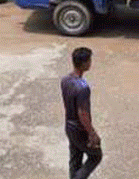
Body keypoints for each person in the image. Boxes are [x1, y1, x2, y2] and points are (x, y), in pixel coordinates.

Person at [61, 47, 102, 179]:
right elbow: (83, 113)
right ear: (84, 63)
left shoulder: (65, 80)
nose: (91, 63)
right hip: (80, 129)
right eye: (89, 60)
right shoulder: (83, 88)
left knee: (75, 159)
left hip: (69, 126)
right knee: (96, 156)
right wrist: (92, 133)